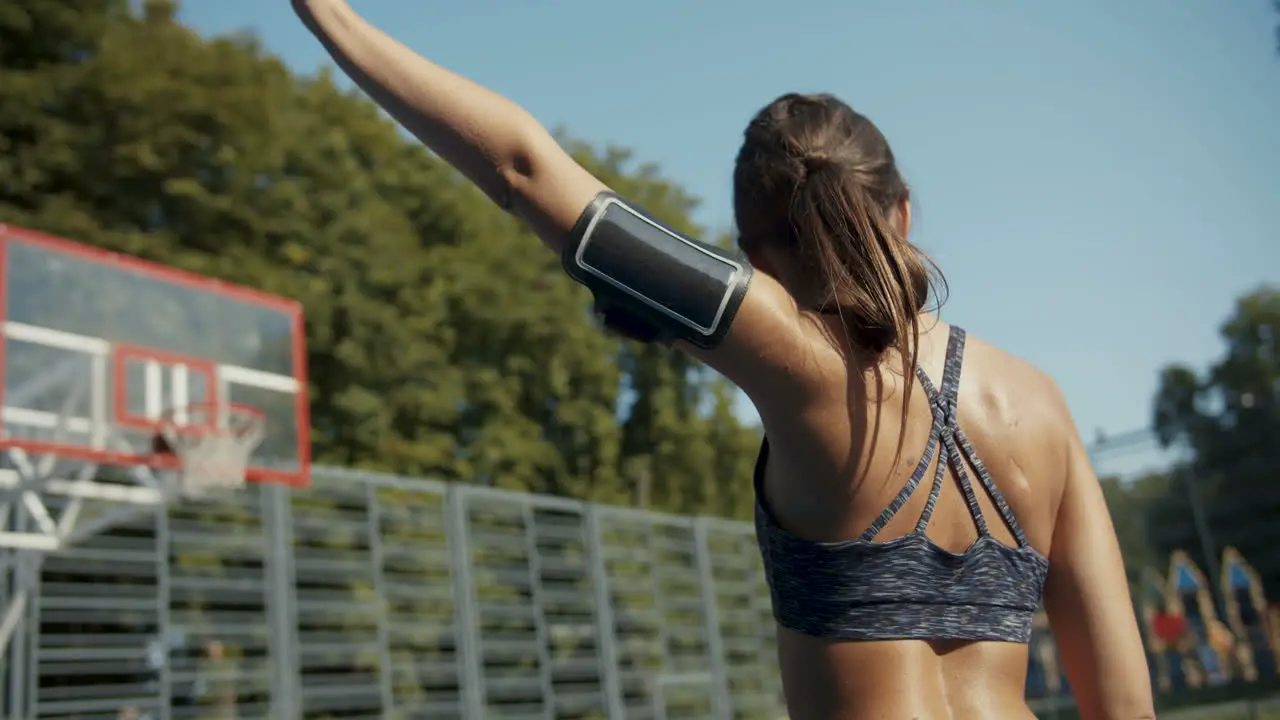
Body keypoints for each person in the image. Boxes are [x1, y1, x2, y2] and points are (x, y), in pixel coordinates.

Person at [292, 2, 1156, 718]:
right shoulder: (1041, 406)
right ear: (901, 213)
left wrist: (325, 12)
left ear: (753, 254)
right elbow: (1124, 704)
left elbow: (523, 169)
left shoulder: (789, 356)